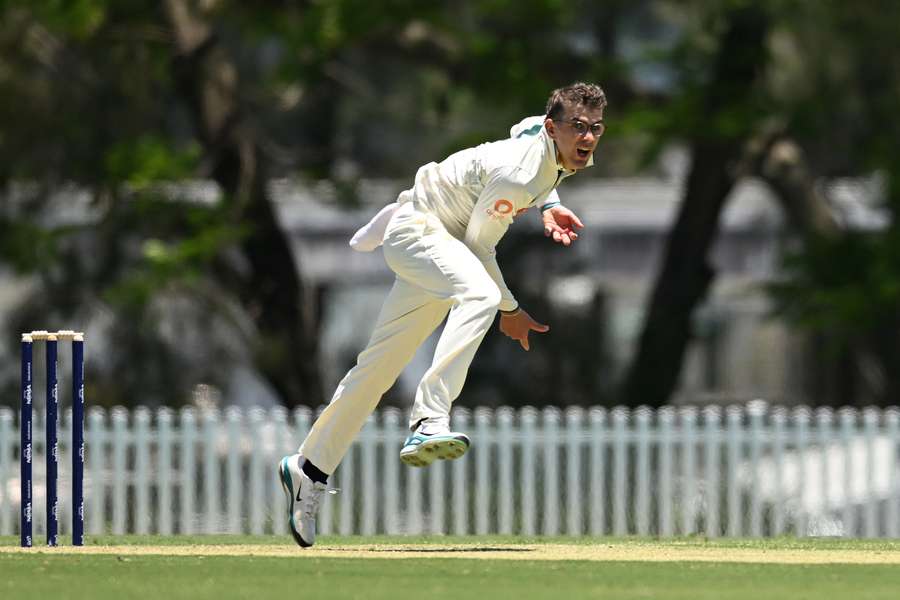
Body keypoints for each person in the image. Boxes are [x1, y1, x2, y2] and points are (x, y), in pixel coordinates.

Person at [278, 82, 607, 546]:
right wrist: (510, 310)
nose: (588, 139)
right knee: (481, 295)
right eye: (578, 128)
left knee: (376, 370)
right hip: (421, 233)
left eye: (595, 128)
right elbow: (479, 247)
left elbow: (524, 127)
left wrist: (549, 205)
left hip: (437, 245)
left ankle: (307, 467)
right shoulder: (519, 173)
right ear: (555, 129)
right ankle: (429, 420)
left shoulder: (551, 141)